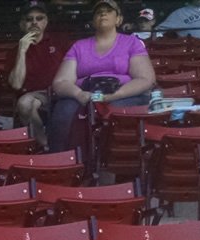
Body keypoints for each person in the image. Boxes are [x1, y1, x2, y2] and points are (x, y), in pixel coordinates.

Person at [47, 1, 157, 153]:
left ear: (119, 19)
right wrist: (79, 94)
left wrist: (115, 95)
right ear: (93, 21)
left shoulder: (132, 42)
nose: (103, 14)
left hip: (122, 93)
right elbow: (60, 82)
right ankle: (61, 162)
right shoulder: (78, 46)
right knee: (63, 112)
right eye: (98, 12)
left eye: (108, 11)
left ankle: (111, 164)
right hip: (84, 93)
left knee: (115, 113)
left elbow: (145, 79)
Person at [7, 5, 73, 145]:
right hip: (34, 94)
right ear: (22, 24)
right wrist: (22, 51)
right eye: (29, 19)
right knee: (25, 104)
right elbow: (16, 84)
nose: (34, 22)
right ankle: (45, 145)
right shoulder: (14, 51)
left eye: (39, 18)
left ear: (46, 22)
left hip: (59, 92)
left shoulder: (60, 43)